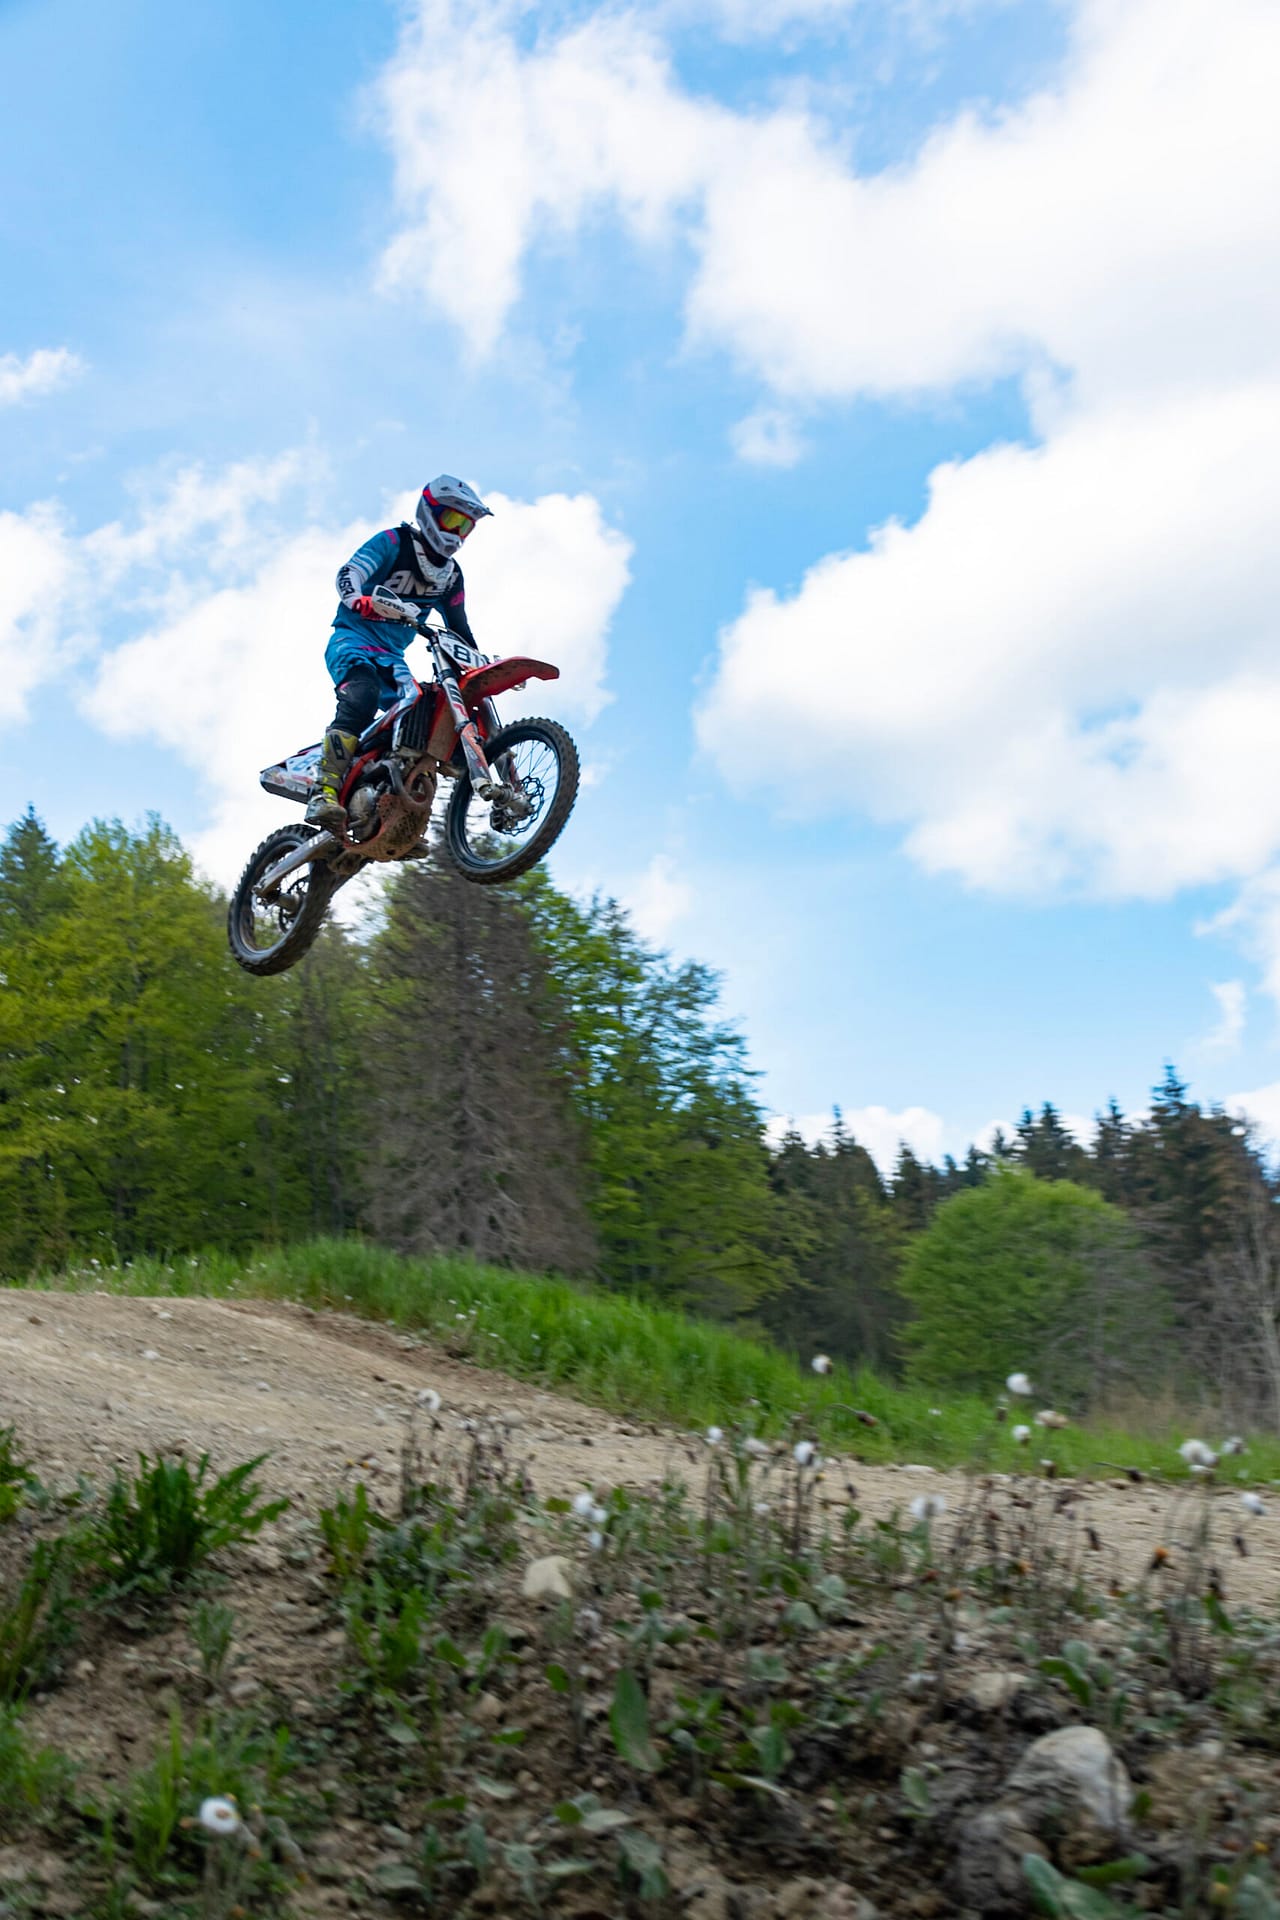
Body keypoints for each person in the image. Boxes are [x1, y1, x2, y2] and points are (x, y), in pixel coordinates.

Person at [305, 475, 494, 833]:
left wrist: (480, 662)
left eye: (466, 526)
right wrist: (356, 598)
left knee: (424, 721)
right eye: (453, 520)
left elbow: (459, 626)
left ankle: (396, 815)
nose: (457, 533)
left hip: (393, 658)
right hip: (352, 641)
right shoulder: (394, 542)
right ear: (430, 513)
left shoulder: (450, 577)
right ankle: (323, 790)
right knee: (362, 697)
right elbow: (350, 572)